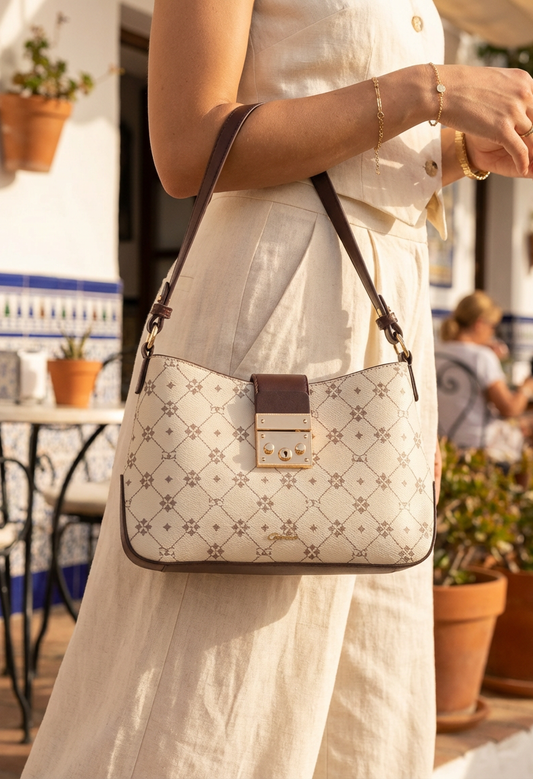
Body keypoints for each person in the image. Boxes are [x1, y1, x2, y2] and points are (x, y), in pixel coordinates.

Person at [22, 2, 533, 778]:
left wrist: (461, 150)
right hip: (271, 322)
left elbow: (351, 143)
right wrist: (428, 89)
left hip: (379, 330)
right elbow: (189, 146)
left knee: (363, 693)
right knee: (207, 683)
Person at [436, 291, 533, 459]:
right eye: (493, 326)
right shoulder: (481, 357)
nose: (492, 333)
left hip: (443, 443)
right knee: (527, 426)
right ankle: (520, 486)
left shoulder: (437, 351)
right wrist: (526, 388)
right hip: (478, 446)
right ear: (480, 324)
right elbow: (509, 409)